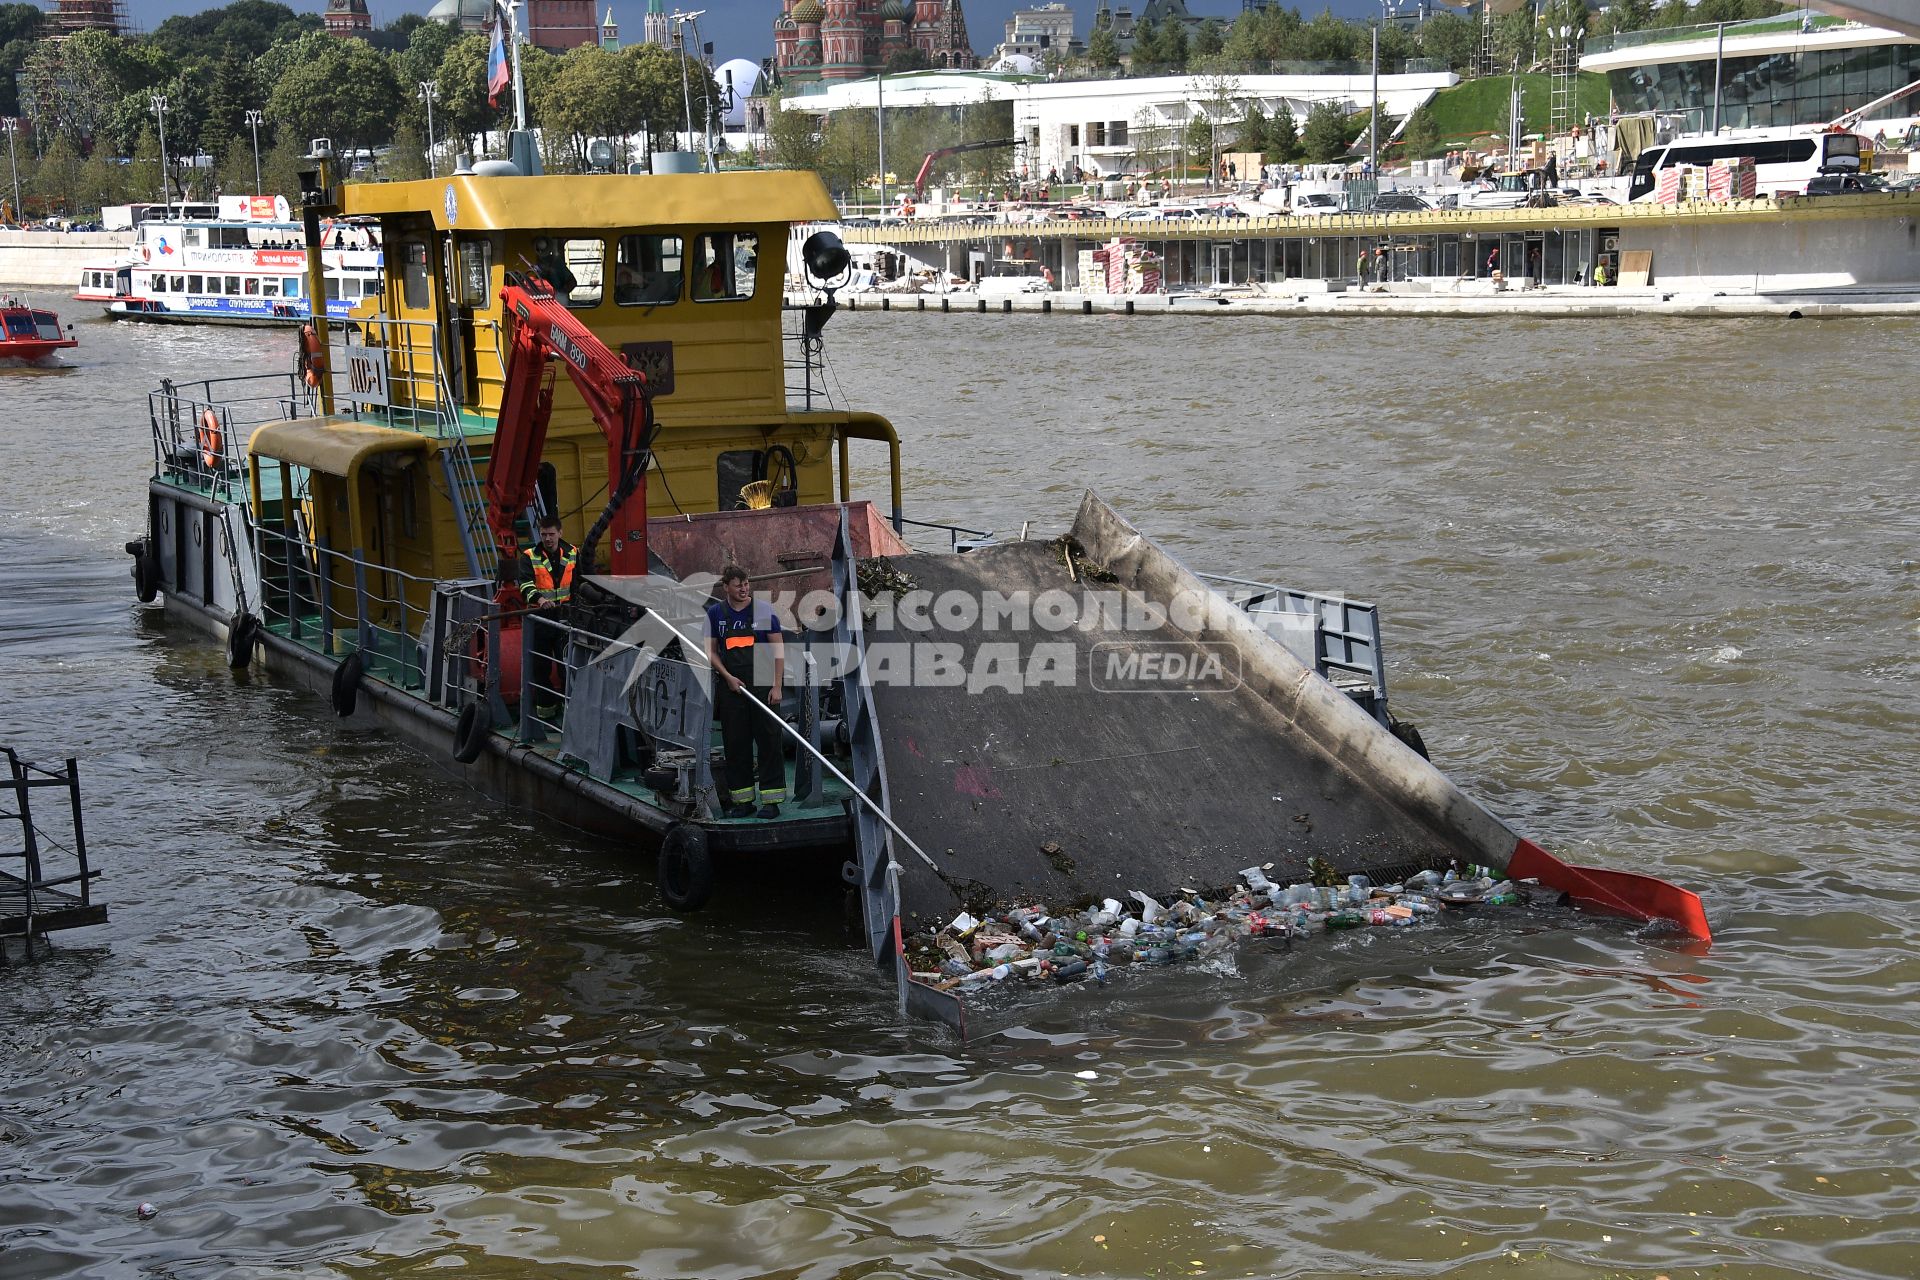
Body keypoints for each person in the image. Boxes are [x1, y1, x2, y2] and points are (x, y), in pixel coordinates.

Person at [705, 564, 787, 819]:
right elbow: (711, 652)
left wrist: (777, 685)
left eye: (747, 583)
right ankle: (743, 801)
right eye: (738, 584)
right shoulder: (715, 614)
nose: (744, 588)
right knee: (736, 744)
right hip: (732, 689)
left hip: (763, 685)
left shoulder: (763, 611)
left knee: (769, 742)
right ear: (726, 587)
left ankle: (771, 802)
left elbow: (778, 650)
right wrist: (727, 677)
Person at [517, 514, 577, 715]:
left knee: (566, 667)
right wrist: (541, 600)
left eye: (551, 534)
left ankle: (569, 709)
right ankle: (547, 712)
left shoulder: (572, 553)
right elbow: (525, 584)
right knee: (540, 668)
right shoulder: (529, 556)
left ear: (560, 533)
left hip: (565, 620)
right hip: (541, 621)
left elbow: (580, 583)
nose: (547, 539)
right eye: (544, 535)